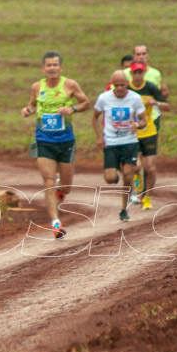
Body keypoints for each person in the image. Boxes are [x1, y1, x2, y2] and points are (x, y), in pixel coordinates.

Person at [20, 50, 91, 239]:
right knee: (48, 181)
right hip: (44, 140)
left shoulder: (70, 85)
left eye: (55, 65)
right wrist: (28, 110)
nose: (52, 68)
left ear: (61, 67)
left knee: (66, 187)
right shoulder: (37, 87)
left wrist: (72, 108)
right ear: (43, 68)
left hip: (66, 141)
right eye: (48, 65)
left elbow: (86, 103)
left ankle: (62, 189)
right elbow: (32, 105)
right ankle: (55, 223)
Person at [92, 70, 147, 222]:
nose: (120, 88)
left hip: (130, 142)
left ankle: (124, 210)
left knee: (128, 175)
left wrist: (137, 124)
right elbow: (95, 117)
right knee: (110, 178)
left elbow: (144, 120)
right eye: (116, 85)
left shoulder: (135, 98)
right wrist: (99, 136)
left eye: (122, 85)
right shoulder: (104, 98)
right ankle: (115, 171)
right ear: (112, 85)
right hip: (111, 143)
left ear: (127, 83)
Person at [124, 45, 169, 202]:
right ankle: (136, 189)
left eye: (144, 54)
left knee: (149, 165)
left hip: (151, 122)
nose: (141, 56)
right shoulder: (125, 82)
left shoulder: (153, 78)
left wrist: (155, 102)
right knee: (135, 164)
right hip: (131, 126)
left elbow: (165, 98)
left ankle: (146, 194)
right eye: (138, 54)